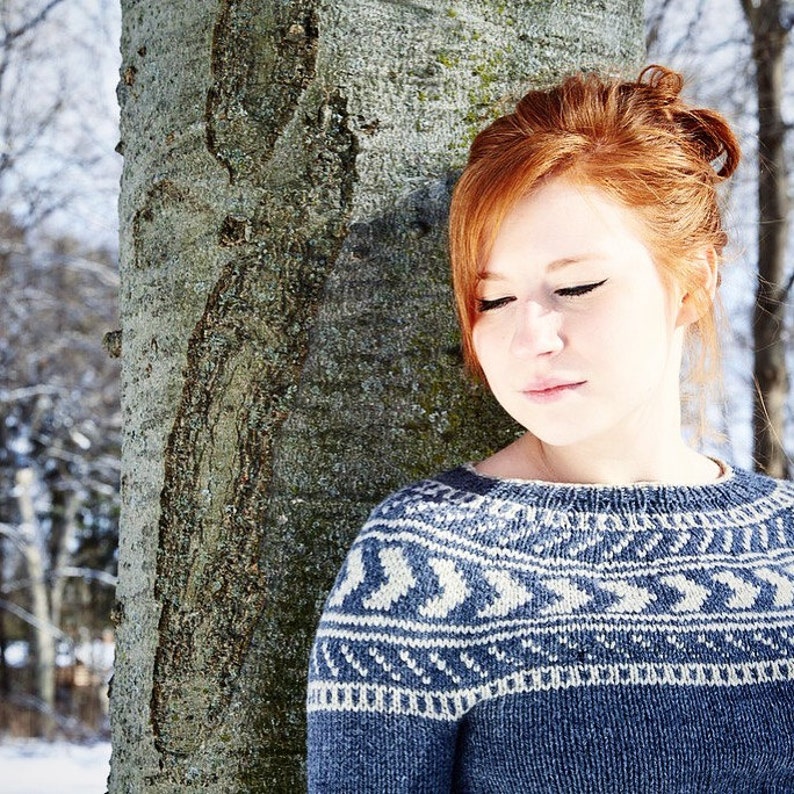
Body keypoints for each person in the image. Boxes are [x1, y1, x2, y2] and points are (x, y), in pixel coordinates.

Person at [306, 65, 794, 792]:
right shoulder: (423, 562)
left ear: (692, 282)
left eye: (576, 286)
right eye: (493, 299)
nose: (528, 334)